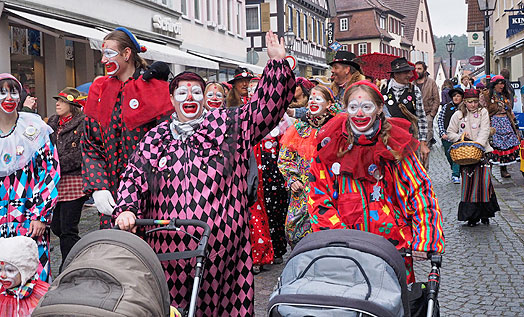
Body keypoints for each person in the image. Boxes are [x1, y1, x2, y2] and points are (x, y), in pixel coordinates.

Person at [114, 30, 295, 315]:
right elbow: (134, 176)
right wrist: (125, 208)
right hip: (168, 253)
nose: (190, 97)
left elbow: (266, 109)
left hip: (225, 256)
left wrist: (276, 65)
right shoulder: (155, 137)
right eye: (182, 92)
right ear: (172, 99)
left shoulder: (228, 125)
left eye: (196, 92)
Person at [307, 80, 444, 284]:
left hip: (392, 248)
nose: (360, 114)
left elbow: (419, 190)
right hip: (345, 252)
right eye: (353, 107)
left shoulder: (396, 146)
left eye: (366, 107)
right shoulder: (330, 147)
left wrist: (424, 238)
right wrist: (340, 239)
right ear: (346, 108)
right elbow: (318, 196)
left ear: (379, 108)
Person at [81, 27, 173, 229]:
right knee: (116, 252)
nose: (103, 60)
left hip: (151, 193)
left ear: (127, 54)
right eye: (102, 54)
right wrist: (98, 186)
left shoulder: (154, 89)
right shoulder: (100, 90)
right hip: (112, 193)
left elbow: (167, 144)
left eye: (109, 53)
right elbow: (90, 144)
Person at [0, 73, 59, 282]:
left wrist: (40, 215)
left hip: (28, 219)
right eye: (2, 92)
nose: (8, 97)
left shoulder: (34, 129)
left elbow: (50, 172)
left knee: (32, 274)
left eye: (13, 91)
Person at [278, 85, 338, 247]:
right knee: (293, 228)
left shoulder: (337, 127)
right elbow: (285, 157)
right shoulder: (299, 127)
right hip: (302, 190)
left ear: (329, 104)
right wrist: (292, 178)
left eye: (318, 99)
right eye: (311, 98)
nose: (313, 101)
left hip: (329, 190)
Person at [47, 87, 87, 271]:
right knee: (56, 226)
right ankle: (80, 252)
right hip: (54, 183)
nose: (57, 103)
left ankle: (67, 266)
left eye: (62, 101)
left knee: (68, 229)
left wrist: (56, 163)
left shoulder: (83, 123)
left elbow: (81, 154)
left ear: (72, 105)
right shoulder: (51, 123)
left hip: (74, 182)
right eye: (58, 100)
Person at [446, 89, 500, 226]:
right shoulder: (458, 115)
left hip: (482, 152)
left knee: (484, 182)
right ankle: (472, 216)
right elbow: (450, 132)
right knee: (469, 185)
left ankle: (485, 213)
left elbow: (485, 130)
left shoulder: (483, 113)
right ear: (465, 102)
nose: (473, 105)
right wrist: (460, 137)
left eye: (475, 102)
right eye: (470, 102)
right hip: (465, 154)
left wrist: (478, 146)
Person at [381, 57, 430, 165]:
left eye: (409, 72)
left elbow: (421, 118)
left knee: (410, 174)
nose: (410, 75)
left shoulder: (414, 90)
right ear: (396, 74)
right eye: (405, 72)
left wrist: (423, 142)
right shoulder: (382, 88)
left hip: (409, 140)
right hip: (386, 140)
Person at [0, 236, 50, 317]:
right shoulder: (2, 293)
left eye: (10, 270)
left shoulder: (42, 295)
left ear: (26, 270)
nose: (2, 275)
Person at [483, 75, 520, 178]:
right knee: (492, 145)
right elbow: (484, 109)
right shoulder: (487, 95)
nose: (501, 86)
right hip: (494, 121)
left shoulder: (505, 95)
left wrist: (514, 122)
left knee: (506, 145)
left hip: (505, 121)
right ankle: (488, 170)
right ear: (494, 85)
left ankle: (503, 169)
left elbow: (510, 110)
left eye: (503, 83)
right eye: (499, 83)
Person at [414, 61, 440, 168]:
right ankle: (416, 170)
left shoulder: (431, 82)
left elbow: (436, 99)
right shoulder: (411, 83)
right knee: (415, 144)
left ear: (424, 70)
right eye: (415, 69)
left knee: (426, 143)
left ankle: (424, 169)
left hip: (427, 115)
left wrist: (432, 115)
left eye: (419, 69)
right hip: (414, 117)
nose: (417, 71)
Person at [438, 87, 464, 184]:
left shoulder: (464, 108)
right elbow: (440, 119)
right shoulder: (447, 107)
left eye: (458, 96)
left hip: (459, 136)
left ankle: (455, 175)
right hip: (447, 136)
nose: (456, 98)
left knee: (456, 155)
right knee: (449, 155)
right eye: (454, 96)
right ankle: (455, 170)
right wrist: (442, 133)